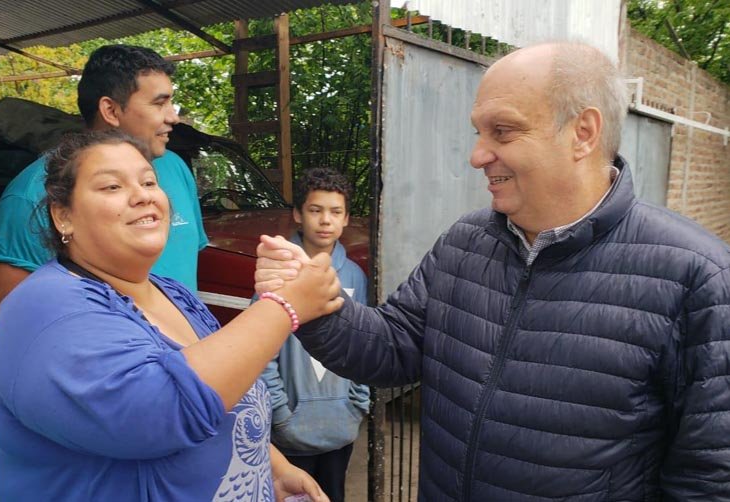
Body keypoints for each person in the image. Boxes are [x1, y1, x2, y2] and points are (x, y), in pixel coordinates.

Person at [255, 41, 730, 500]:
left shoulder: (695, 278)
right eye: (478, 133)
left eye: (502, 131)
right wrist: (317, 307)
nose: (477, 155)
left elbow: (708, 479)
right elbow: (394, 346)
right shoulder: (466, 241)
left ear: (582, 133)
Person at [0, 130, 343, 501]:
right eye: (111, 187)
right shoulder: (44, 308)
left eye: (149, 181)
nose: (143, 195)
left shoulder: (173, 293)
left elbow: (224, 390)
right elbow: (161, 412)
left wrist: (272, 468)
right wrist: (283, 307)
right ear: (63, 216)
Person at [0, 44, 207, 331]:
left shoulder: (175, 169)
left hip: (191, 363)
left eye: (147, 183)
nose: (173, 117)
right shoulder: (33, 192)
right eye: (159, 103)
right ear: (110, 109)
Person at [259, 168, 369, 502]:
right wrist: (281, 415)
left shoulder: (355, 276)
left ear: (346, 219)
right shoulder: (278, 272)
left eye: (335, 212)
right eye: (315, 210)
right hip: (292, 432)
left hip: (340, 427)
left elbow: (363, 344)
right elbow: (262, 352)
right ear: (297, 214)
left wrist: (358, 404)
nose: (325, 220)